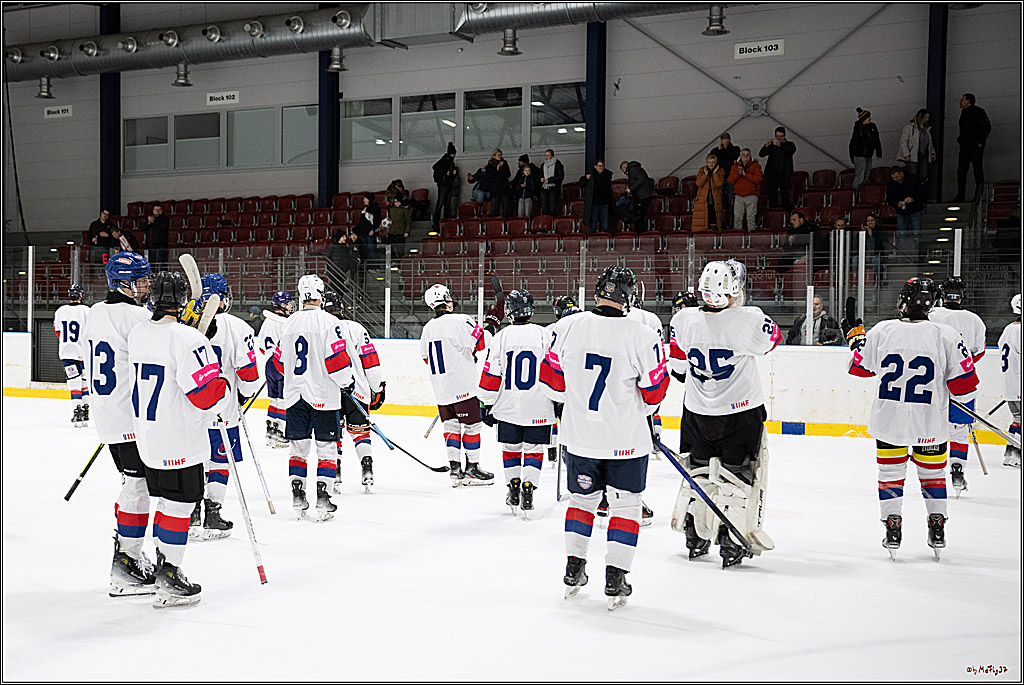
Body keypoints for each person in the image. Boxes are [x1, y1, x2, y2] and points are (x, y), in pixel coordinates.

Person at [540, 266, 667, 609]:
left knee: (581, 502)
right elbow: (655, 394)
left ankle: (573, 569)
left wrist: (577, 399)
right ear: (629, 297)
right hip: (627, 440)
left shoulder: (565, 327)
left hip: (579, 437)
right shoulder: (642, 335)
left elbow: (551, 384)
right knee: (626, 505)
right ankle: (616, 576)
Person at [844, 277, 979, 559]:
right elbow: (965, 385)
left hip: (889, 423)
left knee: (890, 476)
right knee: (933, 476)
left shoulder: (883, 330)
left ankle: (892, 526)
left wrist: (855, 340)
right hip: (930, 424)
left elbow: (859, 368)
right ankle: (937, 527)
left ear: (903, 301)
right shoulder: (946, 334)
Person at [668, 260, 780, 568]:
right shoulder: (749, 318)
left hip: (696, 413)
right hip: (739, 414)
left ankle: (695, 535)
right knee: (736, 479)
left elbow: (678, 368)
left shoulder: (683, 319)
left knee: (698, 474)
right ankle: (731, 541)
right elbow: (772, 341)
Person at [127, 271, 229, 607]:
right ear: (184, 300)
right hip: (180, 440)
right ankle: (169, 574)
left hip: (148, 439)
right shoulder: (189, 339)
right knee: (180, 506)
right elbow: (207, 396)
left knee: (166, 503)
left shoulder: (138, 332)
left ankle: (162, 566)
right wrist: (223, 382)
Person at [81, 251, 155, 597]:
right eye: (141, 280)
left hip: (109, 415)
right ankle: (126, 562)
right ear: (124, 284)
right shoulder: (138, 317)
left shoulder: (95, 312)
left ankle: (128, 552)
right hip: (131, 416)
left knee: (133, 484)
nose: (147, 285)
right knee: (137, 488)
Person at [271, 274, 354, 521]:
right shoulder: (330, 322)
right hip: (323, 396)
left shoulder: (289, 323)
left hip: (295, 396)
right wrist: (347, 383)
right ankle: (323, 498)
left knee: (298, 448)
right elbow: (337, 361)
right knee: (326, 448)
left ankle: (297, 496)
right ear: (321, 295)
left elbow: (278, 363)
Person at [184, 273, 261, 540]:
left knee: (194, 460)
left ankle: (191, 512)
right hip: (223, 410)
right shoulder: (239, 327)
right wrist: (242, 397)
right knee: (219, 462)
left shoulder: (185, 326)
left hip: (190, 410)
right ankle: (212, 513)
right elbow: (249, 375)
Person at [477, 289, 555, 516]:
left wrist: (485, 402)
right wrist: (559, 401)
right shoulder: (545, 334)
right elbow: (555, 370)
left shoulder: (501, 336)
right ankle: (528, 486)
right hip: (540, 406)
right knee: (534, 449)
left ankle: (513, 485)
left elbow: (492, 373)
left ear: (510, 311)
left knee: (511, 448)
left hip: (508, 407)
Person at [420, 284, 494, 486]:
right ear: (444, 299)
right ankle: (472, 469)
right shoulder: (461, 320)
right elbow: (481, 343)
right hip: (464, 388)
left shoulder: (427, 328)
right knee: (472, 426)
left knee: (451, 426)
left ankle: (455, 470)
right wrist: (491, 325)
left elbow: (426, 358)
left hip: (442, 390)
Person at [322, 289, 385, 495]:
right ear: (342, 308)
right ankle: (367, 469)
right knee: (361, 433)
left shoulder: (320, 329)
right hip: (357, 392)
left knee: (334, 435)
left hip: (330, 393)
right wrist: (377, 388)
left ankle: (336, 472)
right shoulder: (357, 328)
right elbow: (371, 363)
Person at [927, 277, 987, 495]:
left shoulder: (932, 315)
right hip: (963, 382)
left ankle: (932, 473)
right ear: (963, 296)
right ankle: (957, 468)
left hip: (934, 382)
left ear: (942, 295)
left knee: (933, 427)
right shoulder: (975, 320)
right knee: (959, 429)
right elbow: (978, 353)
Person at [258, 290, 293, 448]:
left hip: (269, 364)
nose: (290, 307)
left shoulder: (267, 321)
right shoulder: (285, 323)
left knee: (274, 399)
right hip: (281, 363)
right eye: (288, 303)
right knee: (283, 399)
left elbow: (261, 347)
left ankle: (270, 430)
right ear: (283, 305)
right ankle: (280, 432)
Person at [54, 283, 91, 427]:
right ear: (81, 295)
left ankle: (77, 410)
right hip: (84, 353)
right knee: (84, 382)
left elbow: (57, 331)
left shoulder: (60, 311)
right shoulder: (86, 311)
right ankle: (86, 410)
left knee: (74, 382)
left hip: (67, 353)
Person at [997, 294, 1022, 467]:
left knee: (1018, 420)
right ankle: (1017, 455)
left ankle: (1010, 454)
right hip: (1019, 383)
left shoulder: (1008, 329)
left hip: (1009, 385)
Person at [954, 93, 991, 202]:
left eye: (962, 100)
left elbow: (987, 127)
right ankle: (961, 196)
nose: (960, 102)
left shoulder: (977, 112)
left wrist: (980, 142)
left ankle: (976, 196)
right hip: (966, 146)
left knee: (976, 171)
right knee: (962, 171)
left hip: (973, 146)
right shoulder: (965, 113)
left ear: (968, 101)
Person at [886, 166, 926, 259]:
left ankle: (918, 256)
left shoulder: (913, 179)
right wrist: (896, 204)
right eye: (893, 178)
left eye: (897, 177)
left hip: (915, 209)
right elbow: (890, 199)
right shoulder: (891, 184)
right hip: (901, 211)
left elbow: (922, 192)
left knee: (916, 234)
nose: (895, 179)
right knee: (902, 235)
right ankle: (903, 257)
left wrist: (913, 199)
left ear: (901, 173)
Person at [759, 127, 797, 211]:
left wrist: (780, 145)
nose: (779, 138)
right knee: (772, 196)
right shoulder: (772, 146)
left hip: (784, 175)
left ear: (784, 136)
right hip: (772, 175)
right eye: (777, 136)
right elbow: (761, 154)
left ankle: (786, 214)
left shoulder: (789, 144)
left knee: (785, 196)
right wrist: (766, 146)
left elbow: (791, 150)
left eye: (781, 136)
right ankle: (773, 214)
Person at [897, 109, 936, 185]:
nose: (927, 119)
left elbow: (929, 143)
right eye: (925, 117)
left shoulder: (927, 129)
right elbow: (903, 142)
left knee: (923, 175)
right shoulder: (909, 127)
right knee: (912, 175)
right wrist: (906, 154)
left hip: (923, 155)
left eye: (928, 118)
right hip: (912, 155)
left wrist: (932, 152)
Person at [728, 148, 762, 231]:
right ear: (740, 156)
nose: (745, 157)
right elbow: (730, 180)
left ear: (750, 156)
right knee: (737, 218)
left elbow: (758, 179)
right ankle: (738, 237)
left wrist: (745, 174)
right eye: (743, 155)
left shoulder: (756, 165)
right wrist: (738, 174)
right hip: (739, 195)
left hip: (752, 195)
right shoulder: (735, 166)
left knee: (751, 218)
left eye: (747, 155)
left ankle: (752, 236)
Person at [849, 108, 883, 189]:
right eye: (868, 117)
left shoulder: (872, 126)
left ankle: (863, 191)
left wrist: (878, 151)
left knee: (866, 175)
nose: (870, 119)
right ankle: (855, 191)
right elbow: (853, 143)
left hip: (869, 154)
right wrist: (852, 156)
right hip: (859, 155)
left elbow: (876, 139)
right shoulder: (858, 128)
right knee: (860, 175)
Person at [709, 133, 741, 215]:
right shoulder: (716, 150)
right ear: (721, 140)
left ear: (730, 139)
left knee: (731, 199)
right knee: (721, 198)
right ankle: (722, 217)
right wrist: (720, 151)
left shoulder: (735, 149)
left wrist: (725, 149)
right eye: (723, 139)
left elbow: (735, 155)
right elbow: (710, 158)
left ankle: (731, 217)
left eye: (726, 139)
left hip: (731, 177)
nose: (725, 141)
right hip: (720, 178)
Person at [619, 160, 655, 232]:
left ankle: (640, 233)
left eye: (624, 171)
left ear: (625, 167)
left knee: (639, 217)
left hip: (642, 197)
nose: (624, 173)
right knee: (639, 216)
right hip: (643, 195)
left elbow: (641, 179)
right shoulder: (637, 169)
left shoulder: (633, 170)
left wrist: (631, 189)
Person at [579, 159, 613, 234]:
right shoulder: (591, 175)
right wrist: (586, 178)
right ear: (595, 166)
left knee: (605, 225)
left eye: (602, 166)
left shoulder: (607, 175)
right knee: (593, 225)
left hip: (605, 203)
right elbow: (581, 184)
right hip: (594, 203)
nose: (601, 167)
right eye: (599, 166)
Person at [693, 154, 725, 232]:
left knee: (715, 219)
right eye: (709, 162)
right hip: (703, 200)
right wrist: (705, 174)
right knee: (703, 220)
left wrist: (714, 173)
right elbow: (698, 183)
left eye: (713, 162)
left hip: (715, 200)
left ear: (716, 163)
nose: (711, 164)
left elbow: (718, 184)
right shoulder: (702, 171)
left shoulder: (720, 171)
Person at [432, 142, 459, 230]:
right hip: (444, 184)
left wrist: (453, 173)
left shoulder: (450, 162)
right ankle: (437, 220)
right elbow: (435, 167)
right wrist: (445, 172)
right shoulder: (445, 161)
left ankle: (444, 220)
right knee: (442, 202)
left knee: (446, 203)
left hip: (447, 184)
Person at [481, 149, 511, 218]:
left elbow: (508, 174)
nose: (500, 157)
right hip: (494, 189)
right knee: (495, 207)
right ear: (494, 156)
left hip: (504, 188)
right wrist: (496, 170)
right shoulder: (489, 165)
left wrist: (502, 168)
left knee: (505, 207)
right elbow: (488, 176)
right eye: (498, 155)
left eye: (501, 155)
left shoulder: (504, 164)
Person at [354, 193, 382, 265]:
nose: (363, 200)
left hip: (370, 233)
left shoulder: (375, 208)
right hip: (363, 233)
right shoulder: (365, 209)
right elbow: (361, 222)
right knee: (365, 250)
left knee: (371, 250)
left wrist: (373, 229)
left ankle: (373, 266)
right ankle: (367, 266)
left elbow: (377, 220)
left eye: (364, 198)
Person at [540, 149, 565, 216]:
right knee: (544, 206)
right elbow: (540, 175)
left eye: (548, 155)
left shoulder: (558, 165)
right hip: (544, 187)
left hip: (554, 187)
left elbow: (560, 176)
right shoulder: (543, 165)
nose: (546, 157)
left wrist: (550, 180)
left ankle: (553, 219)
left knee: (552, 206)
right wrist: (541, 178)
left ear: (552, 156)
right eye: (545, 155)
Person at [146, 204, 170, 269]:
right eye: (156, 210)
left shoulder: (165, 219)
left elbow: (164, 227)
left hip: (161, 245)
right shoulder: (150, 218)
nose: (157, 211)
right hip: (151, 245)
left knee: (162, 263)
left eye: (159, 210)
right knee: (151, 263)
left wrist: (154, 222)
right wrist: (149, 222)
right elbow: (142, 227)